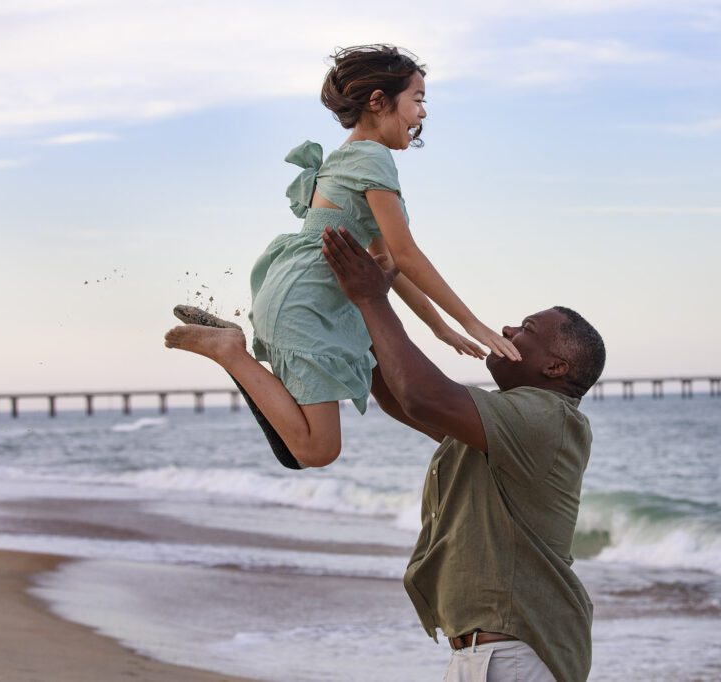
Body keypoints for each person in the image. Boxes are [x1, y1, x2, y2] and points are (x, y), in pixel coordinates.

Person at [164, 45, 519, 470]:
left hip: (309, 296)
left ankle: (232, 353)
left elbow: (388, 263)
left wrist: (440, 328)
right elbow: (406, 254)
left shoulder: (351, 158)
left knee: (314, 441)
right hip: (309, 301)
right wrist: (472, 322)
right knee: (317, 450)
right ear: (378, 101)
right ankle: (229, 350)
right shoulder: (372, 157)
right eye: (418, 99)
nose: (423, 113)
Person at [322, 226, 606, 682]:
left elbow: (421, 397)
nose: (509, 329)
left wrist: (373, 300)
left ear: (555, 367)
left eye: (527, 329)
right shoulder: (505, 422)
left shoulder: (548, 419)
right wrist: (355, 309)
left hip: (517, 655)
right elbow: (398, 396)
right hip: (487, 654)